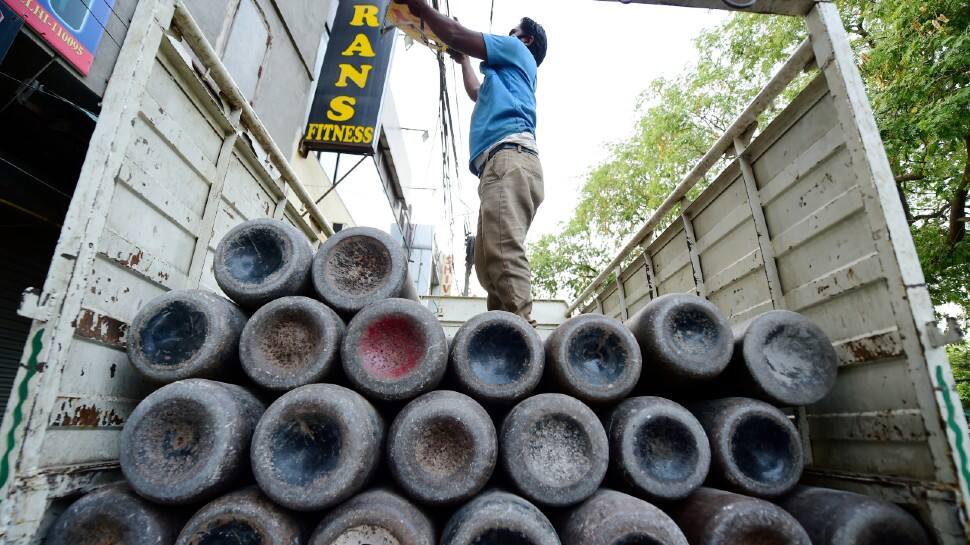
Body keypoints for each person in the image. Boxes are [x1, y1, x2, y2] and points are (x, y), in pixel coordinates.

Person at [393, 0, 547, 324]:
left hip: (509, 160)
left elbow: (455, 32)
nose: (506, 36)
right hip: (502, 165)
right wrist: (463, 60)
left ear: (526, 40)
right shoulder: (507, 78)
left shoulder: (517, 51)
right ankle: (504, 330)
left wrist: (420, 9)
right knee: (486, 263)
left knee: (502, 252)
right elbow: (476, 92)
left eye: (513, 32)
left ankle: (523, 335)